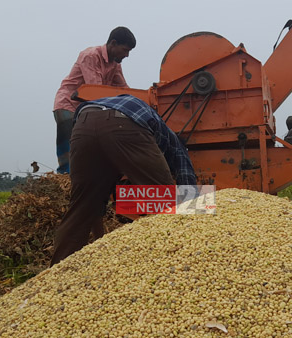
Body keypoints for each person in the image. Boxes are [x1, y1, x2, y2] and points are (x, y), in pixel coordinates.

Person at [50, 94, 197, 266]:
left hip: (83, 125)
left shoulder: (139, 129)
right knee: (162, 197)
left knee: (82, 205)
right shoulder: (173, 141)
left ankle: (57, 273)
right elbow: (183, 168)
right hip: (123, 122)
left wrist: (100, 242)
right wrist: (191, 209)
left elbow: (99, 197)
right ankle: (178, 261)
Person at [53, 26, 136, 174]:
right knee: (70, 146)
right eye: (125, 50)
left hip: (87, 109)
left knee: (86, 148)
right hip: (68, 104)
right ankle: (65, 178)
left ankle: (85, 177)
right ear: (113, 43)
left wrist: (138, 103)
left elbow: (123, 89)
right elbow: (95, 91)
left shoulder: (115, 64)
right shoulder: (90, 56)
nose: (127, 55)